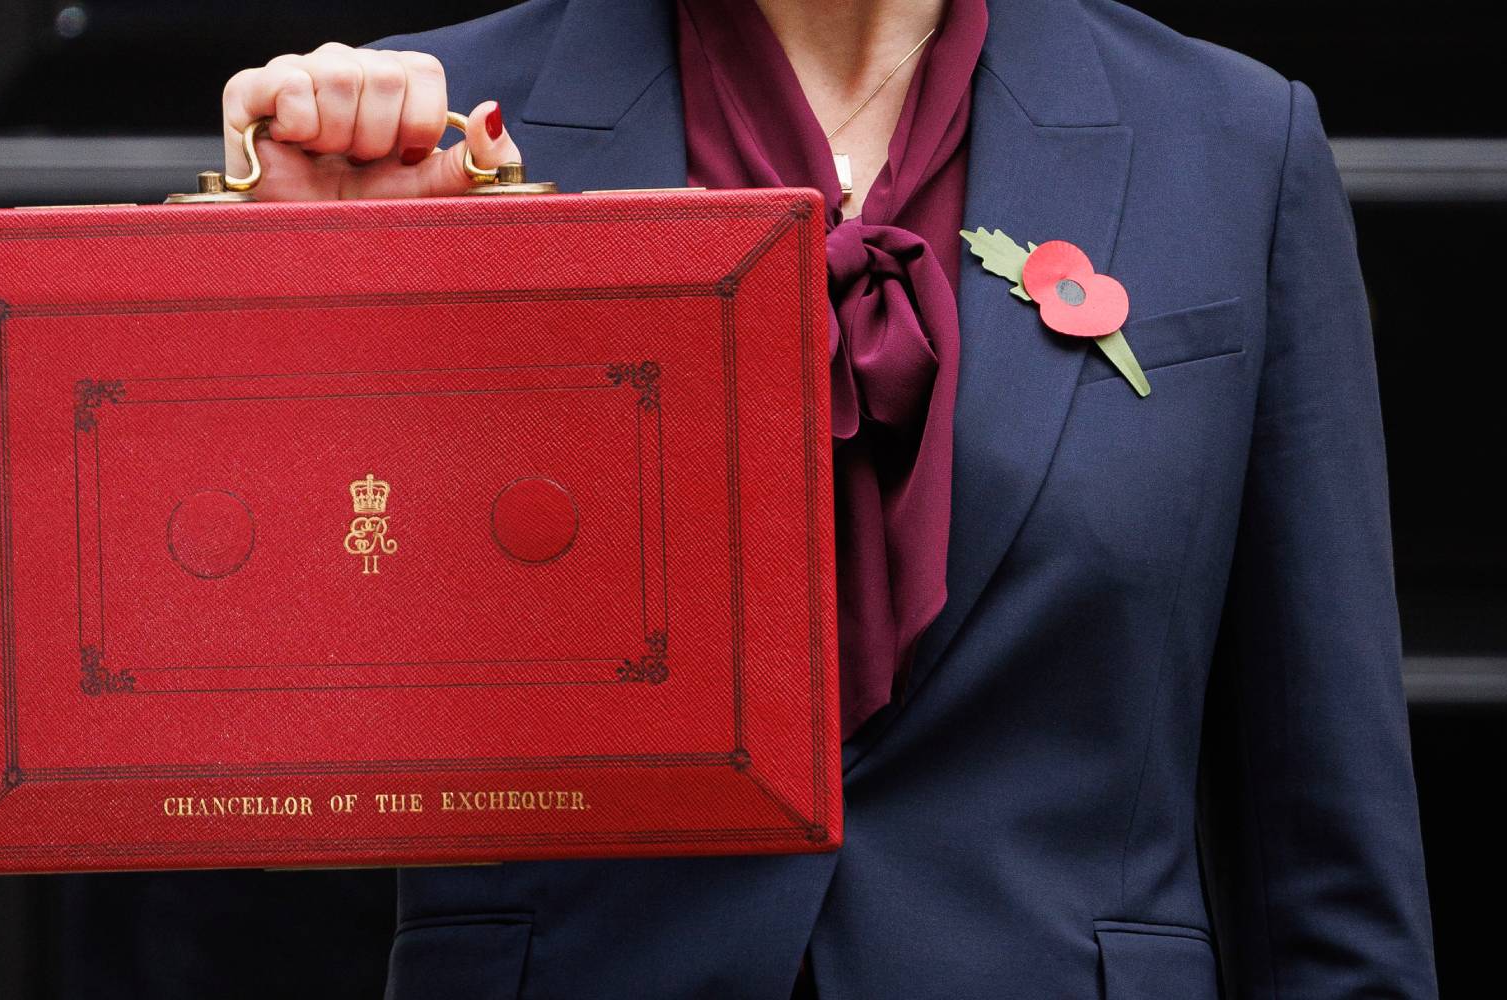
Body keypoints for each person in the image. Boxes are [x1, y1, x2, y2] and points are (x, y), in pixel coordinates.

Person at [220, 0, 1439, 996]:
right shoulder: (426, 127)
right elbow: (241, 690)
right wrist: (288, 290)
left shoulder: (1230, 143)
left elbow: (1326, 862)